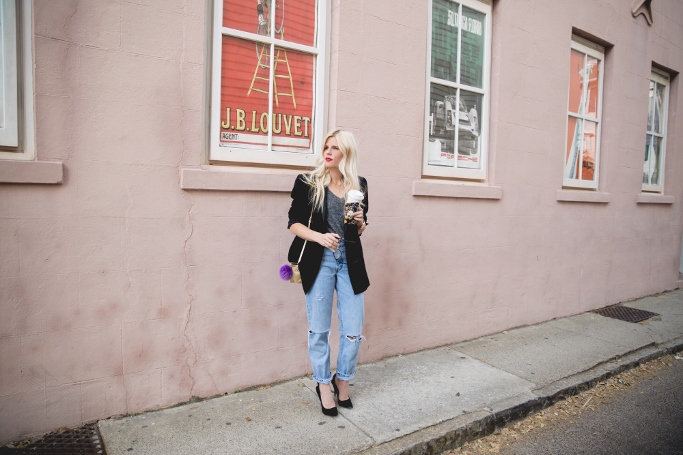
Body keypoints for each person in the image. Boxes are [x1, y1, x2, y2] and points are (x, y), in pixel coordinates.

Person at [287, 129, 370, 417]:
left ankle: (342, 380)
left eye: (335, 147)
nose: (328, 152)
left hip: (350, 260)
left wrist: (360, 222)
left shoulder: (358, 185)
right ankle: (323, 384)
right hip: (319, 259)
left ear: (347, 152)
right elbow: (294, 223)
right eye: (326, 147)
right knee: (319, 330)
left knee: (353, 332)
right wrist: (320, 237)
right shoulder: (308, 182)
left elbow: (360, 228)